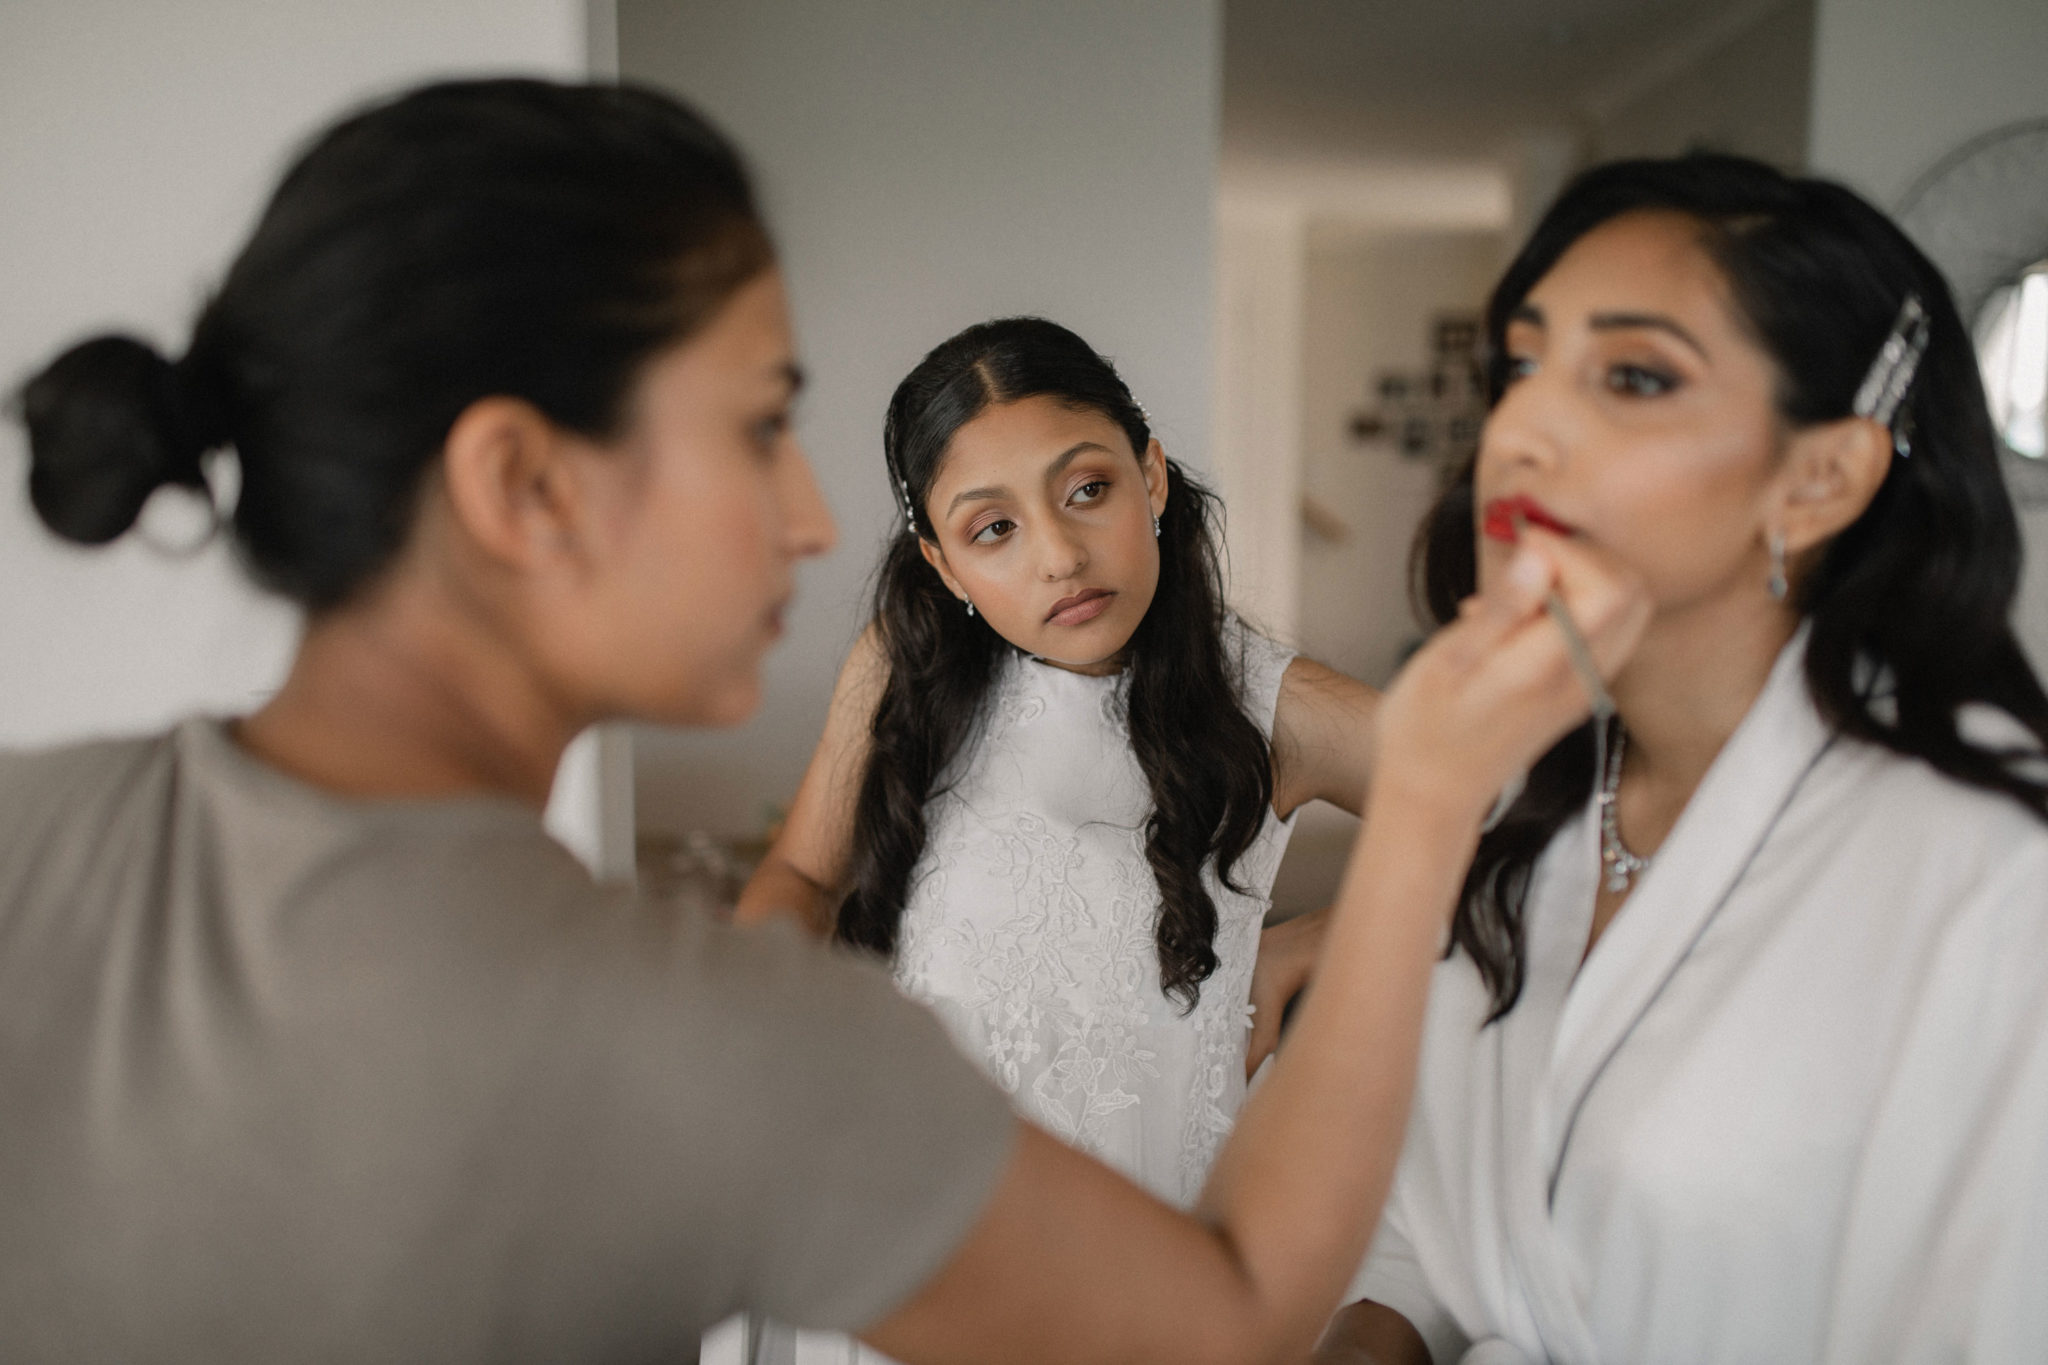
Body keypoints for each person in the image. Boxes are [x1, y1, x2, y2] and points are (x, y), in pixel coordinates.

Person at [0, 79, 1647, 1363]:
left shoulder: (28, 836)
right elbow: (1218, 1315)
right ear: (521, 482)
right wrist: (1422, 812)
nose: (804, 517)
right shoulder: (735, 1049)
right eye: (757, 425)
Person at [1316, 154, 2048, 1365]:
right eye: (1523, 364)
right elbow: (1436, 1203)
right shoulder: (1530, 787)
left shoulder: (1985, 871)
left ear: (1820, 476)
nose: (1521, 429)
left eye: (1634, 376)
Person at [734, 317, 1375, 1363]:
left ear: (1152, 478)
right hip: (900, 1214)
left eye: (1086, 490)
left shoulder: (1274, 710)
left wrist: (1318, 944)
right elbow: (804, 872)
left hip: (1131, 1234)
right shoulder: (901, 664)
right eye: (993, 531)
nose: (1060, 555)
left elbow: (1522, 830)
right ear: (941, 563)